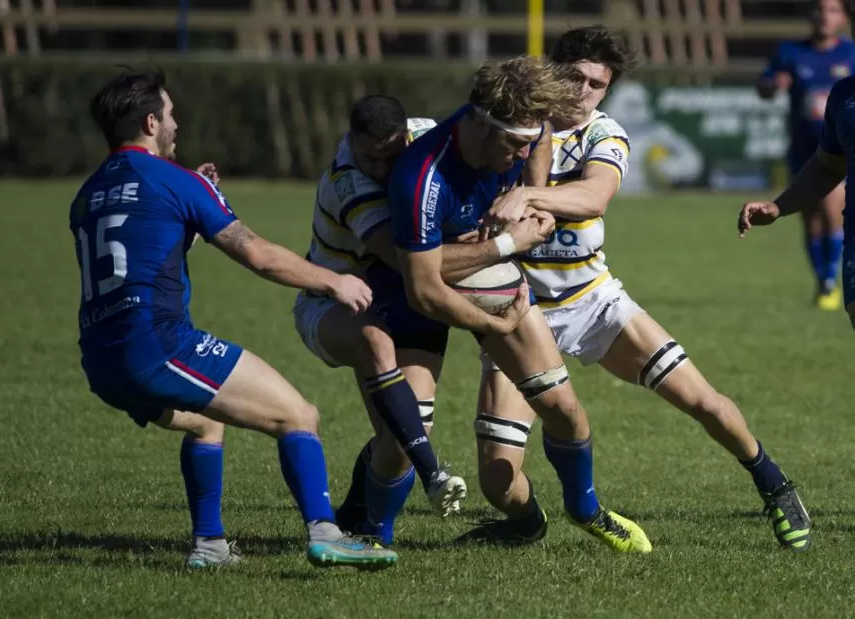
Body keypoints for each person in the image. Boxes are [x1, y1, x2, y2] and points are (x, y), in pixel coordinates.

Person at [456, 26, 811, 553]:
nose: (582, 91)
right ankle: (528, 522)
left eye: (597, 84)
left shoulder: (605, 135)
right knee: (496, 479)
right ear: (553, 72)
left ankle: (774, 483)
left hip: (591, 301)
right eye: (573, 76)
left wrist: (528, 195)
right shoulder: (512, 126)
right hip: (516, 312)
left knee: (703, 402)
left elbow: (595, 196)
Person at [70, 70, 398, 570]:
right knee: (299, 415)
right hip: (158, 344)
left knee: (204, 423)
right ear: (151, 121)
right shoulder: (175, 181)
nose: (177, 123)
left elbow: (141, 249)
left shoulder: (89, 193)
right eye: (172, 113)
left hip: (100, 358)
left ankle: (210, 547)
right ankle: (327, 533)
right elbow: (259, 255)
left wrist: (192, 208)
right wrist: (333, 282)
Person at [388, 55, 653, 553]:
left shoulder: (521, 141)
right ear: (480, 124)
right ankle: (367, 532)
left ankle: (585, 507)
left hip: (488, 275)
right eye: (513, 143)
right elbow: (422, 287)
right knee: (402, 436)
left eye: (529, 142)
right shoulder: (422, 176)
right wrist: (509, 247)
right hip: (422, 288)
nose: (519, 154)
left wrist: (535, 198)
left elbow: (538, 144)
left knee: (564, 410)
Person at [295, 96, 554, 544]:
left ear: (405, 138)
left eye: (390, 157)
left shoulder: (428, 135)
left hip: (407, 298)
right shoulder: (348, 185)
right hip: (338, 304)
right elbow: (408, 263)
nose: (380, 168)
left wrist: (526, 194)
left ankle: (357, 520)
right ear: (351, 141)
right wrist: (506, 245)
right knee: (398, 431)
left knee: (396, 438)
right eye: (369, 157)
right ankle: (376, 535)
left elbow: (530, 124)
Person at [757, 0, 855, 310]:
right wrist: (774, 85)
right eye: (820, 9)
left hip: (837, 153)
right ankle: (824, 281)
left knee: (829, 209)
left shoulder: (849, 54)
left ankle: (829, 279)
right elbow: (763, 86)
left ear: (842, 18)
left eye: (833, 10)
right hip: (805, 148)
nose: (825, 16)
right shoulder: (791, 53)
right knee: (810, 218)